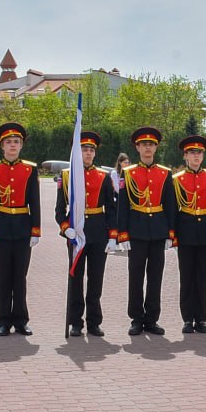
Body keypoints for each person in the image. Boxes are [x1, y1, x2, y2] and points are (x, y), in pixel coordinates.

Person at [0, 122, 41, 336]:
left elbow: (35, 201)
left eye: (16, 142)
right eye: (8, 142)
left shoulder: (29, 169)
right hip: (1, 226)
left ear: (21, 145)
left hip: (23, 226)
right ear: (2, 146)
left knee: (20, 277)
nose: (13, 145)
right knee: (3, 276)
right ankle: (4, 320)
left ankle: (21, 320)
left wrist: (36, 229)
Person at [57, 131, 117, 337]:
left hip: (98, 231)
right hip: (76, 232)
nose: (88, 153)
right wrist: (66, 228)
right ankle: (75, 322)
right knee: (76, 278)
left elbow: (111, 208)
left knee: (96, 279)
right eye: (84, 149)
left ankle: (94, 322)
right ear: (77, 151)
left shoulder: (104, 176)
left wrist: (112, 235)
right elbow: (59, 210)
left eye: (91, 150)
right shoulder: (67, 176)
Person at [164, 134, 206, 334]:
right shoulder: (177, 179)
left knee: (202, 277)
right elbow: (173, 209)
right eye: (192, 153)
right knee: (187, 277)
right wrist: (172, 233)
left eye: (199, 153)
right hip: (186, 230)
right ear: (185, 156)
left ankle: (201, 318)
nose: (196, 156)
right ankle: (187, 319)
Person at [118, 127, 171, 336]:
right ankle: (136, 318)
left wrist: (170, 234)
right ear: (137, 148)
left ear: (156, 148)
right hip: (137, 230)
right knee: (136, 276)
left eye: (151, 144)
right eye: (144, 145)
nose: (148, 148)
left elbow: (170, 205)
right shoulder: (128, 173)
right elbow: (123, 206)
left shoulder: (165, 173)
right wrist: (122, 234)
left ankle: (152, 319)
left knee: (156, 277)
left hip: (158, 231)